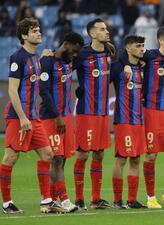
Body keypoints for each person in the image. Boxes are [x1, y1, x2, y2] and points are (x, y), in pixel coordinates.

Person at [0, 18, 67, 214]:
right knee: (11, 158)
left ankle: (46, 202)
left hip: (33, 116)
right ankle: (6, 204)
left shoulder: (36, 57)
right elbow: (13, 91)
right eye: (34, 31)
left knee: (48, 154)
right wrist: (22, 117)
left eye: (39, 30)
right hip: (18, 117)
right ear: (24, 36)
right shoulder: (17, 58)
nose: (39, 33)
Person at [120, 26, 164, 209]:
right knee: (151, 156)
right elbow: (123, 53)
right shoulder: (150, 56)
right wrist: (125, 64)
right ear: (161, 40)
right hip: (152, 112)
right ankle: (151, 197)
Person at [39, 32, 84, 213]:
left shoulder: (68, 62)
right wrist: (57, 117)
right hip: (51, 118)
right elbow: (43, 90)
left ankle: (49, 201)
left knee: (62, 159)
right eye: (73, 51)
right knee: (56, 159)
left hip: (65, 117)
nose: (75, 55)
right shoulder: (47, 62)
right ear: (65, 44)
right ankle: (64, 200)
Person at [73, 18, 115, 210]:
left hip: (103, 113)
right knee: (82, 154)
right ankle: (79, 199)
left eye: (106, 28)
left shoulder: (109, 52)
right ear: (92, 34)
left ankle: (96, 198)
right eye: (102, 29)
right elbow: (64, 69)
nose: (106, 31)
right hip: (86, 113)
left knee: (99, 154)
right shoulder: (81, 54)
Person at [110, 35, 147, 209]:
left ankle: (132, 199)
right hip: (123, 120)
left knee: (136, 159)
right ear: (128, 48)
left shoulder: (142, 67)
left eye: (143, 45)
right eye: (138, 46)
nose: (142, 48)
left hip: (139, 120)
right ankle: (117, 200)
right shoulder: (118, 67)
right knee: (122, 159)